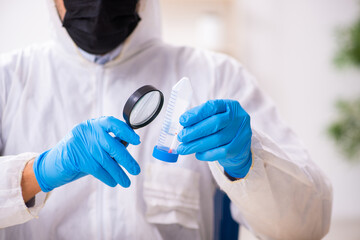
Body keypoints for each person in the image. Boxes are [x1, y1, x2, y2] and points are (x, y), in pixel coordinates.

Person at [0, 0, 332, 239]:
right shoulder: (9, 79)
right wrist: (36, 174)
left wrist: (249, 163)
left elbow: (307, 227)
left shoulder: (216, 76)